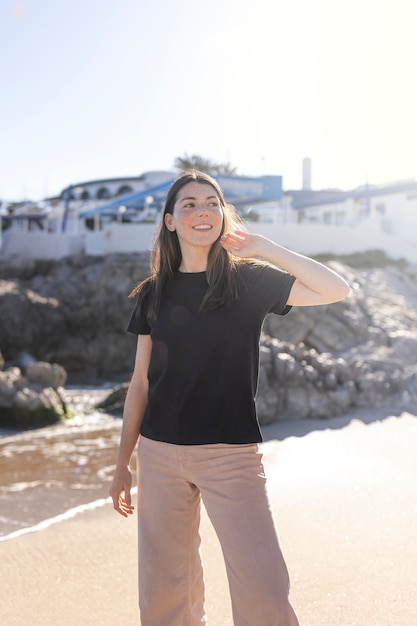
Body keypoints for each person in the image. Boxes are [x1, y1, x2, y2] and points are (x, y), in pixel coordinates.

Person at [109, 170, 350, 626]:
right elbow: (139, 384)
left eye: (211, 203)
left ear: (223, 215)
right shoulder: (153, 294)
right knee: (163, 596)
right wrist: (124, 464)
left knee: (264, 591)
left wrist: (266, 248)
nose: (202, 211)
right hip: (158, 455)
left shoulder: (250, 282)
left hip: (230, 454)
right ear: (170, 221)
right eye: (189, 204)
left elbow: (337, 289)